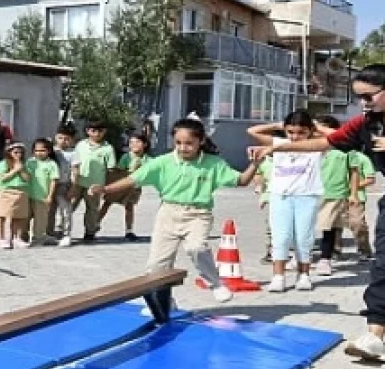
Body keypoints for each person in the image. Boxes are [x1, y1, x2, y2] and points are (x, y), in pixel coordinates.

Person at [255, 63, 385, 361]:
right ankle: (374, 335)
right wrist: (278, 148)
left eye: (368, 97)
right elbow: (326, 142)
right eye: (359, 97)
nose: (363, 103)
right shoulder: (366, 123)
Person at [92, 118, 261, 305]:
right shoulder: (163, 163)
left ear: (201, 141)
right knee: (157, 265)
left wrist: (254, 164)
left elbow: (241, 181)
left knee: (196, 247)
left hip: (198, 214)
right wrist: (106, 189)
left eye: (189, 143)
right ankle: (164, 302)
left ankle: (214, 283)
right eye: (178, 143)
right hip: (168, 213)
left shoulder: (213, 163)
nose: (183, 148)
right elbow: (133, 179)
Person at [247, 111, 325, 293]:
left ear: (309, 131)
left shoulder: (316, 146)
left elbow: (337, 135)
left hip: (307, 196)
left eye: (301, 132)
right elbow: (252, 131)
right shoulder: (280, 143)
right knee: (280, 237)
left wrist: (317, 127)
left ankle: (304, 275)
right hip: (280, 196)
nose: (295, 136)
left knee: (303, 238)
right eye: (290, 132)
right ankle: (278, 277)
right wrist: (277, 125)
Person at [313, 115, 352, 276]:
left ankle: (325, 259)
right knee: (304, 227)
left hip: (333, 193)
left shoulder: (342, 151)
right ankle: (301, 255)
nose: (317, 133)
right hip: (310, 192)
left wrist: (353, 193)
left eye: (320, 129)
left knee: (327, 227)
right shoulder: (310, 149)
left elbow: (354, 171)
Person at [99, 133, 149, 242]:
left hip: (135, 187)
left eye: (137, 142)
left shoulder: (147, 159)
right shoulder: (127, 156)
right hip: (122, 183)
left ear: (144, 144)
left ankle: (129, 230)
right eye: (131, 142)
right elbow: (119, 170)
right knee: (107, 203)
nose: (134, 144)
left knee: (129, 206)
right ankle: (95, 224)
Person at [73, 124, 116, 243]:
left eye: (100, 131)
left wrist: (106, 187)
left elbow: (111, 169)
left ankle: (90, 232)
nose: (96, 133)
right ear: (87, 131)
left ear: (104, 131)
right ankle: (61, 230)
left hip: (95, 185)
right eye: (93, 130)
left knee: (92, 209)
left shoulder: (108, 148)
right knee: (69, 206)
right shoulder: (81, 145)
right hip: (77, 182)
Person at [0, 142, 33, 249]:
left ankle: (17, 238)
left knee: (19, 217)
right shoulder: (2, 164)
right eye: (15, 152)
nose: (18, 155)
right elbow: (1, 179)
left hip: (21, 192)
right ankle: (1, 238)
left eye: (20, 153)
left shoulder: (25, 164)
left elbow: (28, 179)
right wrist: (15, 170)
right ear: (9, 153)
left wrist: (21, 170)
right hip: (6, 191)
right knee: (2, 215)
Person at [49, 125, 79, 246]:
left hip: (64, 185)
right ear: (56, 137)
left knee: (66, 211)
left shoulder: (73, 153)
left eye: (66, 138)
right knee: (49, 211)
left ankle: (66, 234)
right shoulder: (51, 150)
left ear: (71, 140)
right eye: (60, 137)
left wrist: (73, 188)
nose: (63, 141)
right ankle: (49, 233)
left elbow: (76, 171)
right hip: (50, 185)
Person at [29, 138, 61, 246]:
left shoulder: (52, 164)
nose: (39, 153)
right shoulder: (30, 162)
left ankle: (38, 238)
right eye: (37, 150)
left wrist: (50, 196)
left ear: (49, 151)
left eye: (42, 150)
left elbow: (54, 181)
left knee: (40, 219)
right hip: (28, 195)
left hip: (42, 196)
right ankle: (22, 237)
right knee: (25, 217)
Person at [347, 148, 376, 261]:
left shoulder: (362, 158)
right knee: (335, 225)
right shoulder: (335, 156)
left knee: (357, 223)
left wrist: (353, 186)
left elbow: (370, 179)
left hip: (357, 197)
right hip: (337, 195)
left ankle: (364, 249)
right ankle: (334, 250)